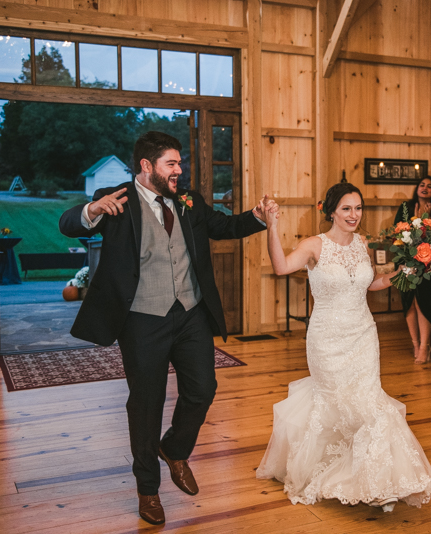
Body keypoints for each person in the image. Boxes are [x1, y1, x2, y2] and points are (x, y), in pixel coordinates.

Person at [59, 131, 276, 525]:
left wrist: (258, 217)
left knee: (203, 388)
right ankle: (148, 490)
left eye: (180, 163)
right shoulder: (118, 199)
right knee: (146, 403)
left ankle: (174, 449)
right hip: (142, 318)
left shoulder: (189, 201)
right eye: (171, 164)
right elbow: (69, 223)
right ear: (147, 166)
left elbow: (223, 227)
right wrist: (93, 210)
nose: (180, 170)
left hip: (190, 312)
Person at [257, 182, 431, 510]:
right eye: (346, 208)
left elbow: (370, 284)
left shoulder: (362, 243)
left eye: (358, 208)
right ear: (331, 211)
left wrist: (401, 271)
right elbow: (281, 267)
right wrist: (272, 227)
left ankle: (375, 475)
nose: (354, 214)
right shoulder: (314, 246)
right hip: (326, 339)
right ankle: (332, 467)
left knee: (369, 402)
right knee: (335, 402)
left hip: (363, 335)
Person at [393, 176, 431, 363]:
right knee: (408, 302)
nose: (425, 188)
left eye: (429, 186)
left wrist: (426, 219)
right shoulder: (405, 208)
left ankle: (425, 346)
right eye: (422, 185)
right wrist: (414, 218)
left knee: (422, 302)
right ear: (417, 188)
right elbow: (397, 232)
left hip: (427, 264)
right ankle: (415, 343)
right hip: (406, 261)